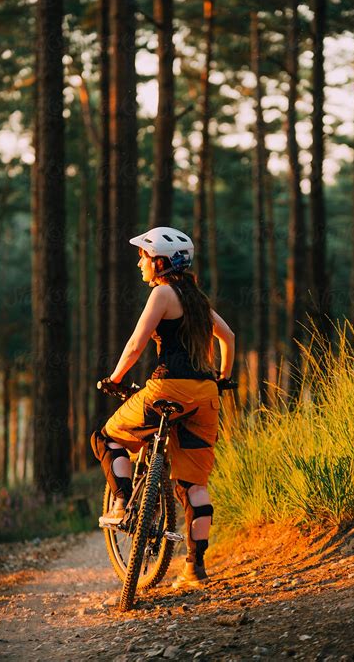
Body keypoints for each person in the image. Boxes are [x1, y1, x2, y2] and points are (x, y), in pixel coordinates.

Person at [91, 226, 235, 587]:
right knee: (194, 486)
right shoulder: (197, 299)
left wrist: (116, 378)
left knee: (105, 436)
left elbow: (137, 344)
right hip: (205, 395)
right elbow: (228, 337)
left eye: (143, 257)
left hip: (167, 388)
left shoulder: (162, 294)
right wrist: (222, 379)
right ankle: (194, 568)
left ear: (159, 262)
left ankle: (123, 503)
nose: (139, 264)